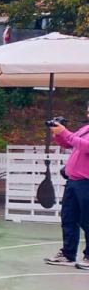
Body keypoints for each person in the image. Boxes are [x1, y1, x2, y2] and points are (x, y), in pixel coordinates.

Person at [44, 103, 89, 267]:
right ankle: (68, 253)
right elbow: (69, 143)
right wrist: (58, 134)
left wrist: (64, 132)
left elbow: (85, 147)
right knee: (68, 218)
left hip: (87, 182)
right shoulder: (85, 129)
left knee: (87, 220)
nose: (88, 111)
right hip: (73, 181)